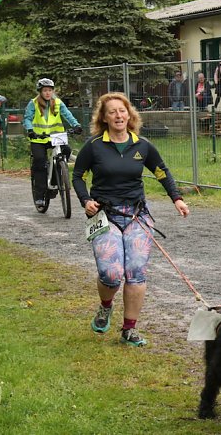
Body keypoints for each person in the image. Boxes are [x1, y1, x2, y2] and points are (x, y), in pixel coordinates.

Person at [72, 92, 190, 346]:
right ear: (103, 118)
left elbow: (162, 172)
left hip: (137, 215)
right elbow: (78, 175)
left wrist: (177, 198)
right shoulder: (94, 146)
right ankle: (105, 306)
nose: (118, 115)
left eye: (122, 110)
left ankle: (129, 330)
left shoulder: (142, 145)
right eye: (112, 111)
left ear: (130, 115)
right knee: (111, 273)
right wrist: (85, 200)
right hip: (104, 215)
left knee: (135, 271)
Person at [23, 78, 82, 208]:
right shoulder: (33, 103)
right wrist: (30, 130)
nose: (48, 93)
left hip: (55, 137)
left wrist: (76, 125)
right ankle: (39, 195)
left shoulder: (58, 103)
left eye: (50, 90)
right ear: (40, 92)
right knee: (39, 162)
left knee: (66, 151)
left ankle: (56, 179)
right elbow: (27, 119)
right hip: (38, 138)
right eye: (45, 91)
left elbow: (68, 115)